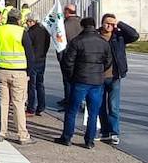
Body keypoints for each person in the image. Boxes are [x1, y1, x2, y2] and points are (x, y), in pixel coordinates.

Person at [57, 17, 112, 148]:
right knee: (93, 113)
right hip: (97, 82)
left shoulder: (77, 41)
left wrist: (71, 76)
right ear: (94, 26)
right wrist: (100, 72)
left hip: (80, 80)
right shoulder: (103, 42)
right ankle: (89, 141)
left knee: (72, 110)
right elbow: (108, 61)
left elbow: (68, 62)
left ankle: (67, 137)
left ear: (82, 27)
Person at [98, 13, 139, 145]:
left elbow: (134, 35)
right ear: (102, 23)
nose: (109, 26)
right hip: (99, 77)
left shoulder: (119, 36)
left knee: (114, 106)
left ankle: (114, 133)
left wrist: (119, 23)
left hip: (115, 76)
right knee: (100, 106)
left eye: (111, 23)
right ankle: (105, 132)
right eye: (106, 23)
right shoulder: (96, 36)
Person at [0, 11, 33, 144]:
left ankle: (0, 132)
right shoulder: (22, 32)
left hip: (0, 70)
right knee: (18, 103)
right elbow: (30, 54)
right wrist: (29, 73)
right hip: (18, 72)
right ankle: (22, 135)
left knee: (2, 103)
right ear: (18, 19)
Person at [56, 3, 83, 111]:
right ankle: (75, 101)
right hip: (80, 57)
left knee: (67, 81)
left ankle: (69, 102)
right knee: (77, 80)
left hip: (67, 56)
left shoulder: (64, 25)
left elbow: (60, 41)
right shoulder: (81, 23)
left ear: (67, 12)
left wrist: (60, 56)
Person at [23, 16, 50, 116]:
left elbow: (27, 47)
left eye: (27, 22)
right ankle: (41, 107)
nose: (26, 24)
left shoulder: (30, 33)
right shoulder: (44, 31)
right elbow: (47, 44)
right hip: (42, 59)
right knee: (40, 84)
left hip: (33, 60)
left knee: (31, 85)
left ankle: (31, 108)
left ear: (32, 21)